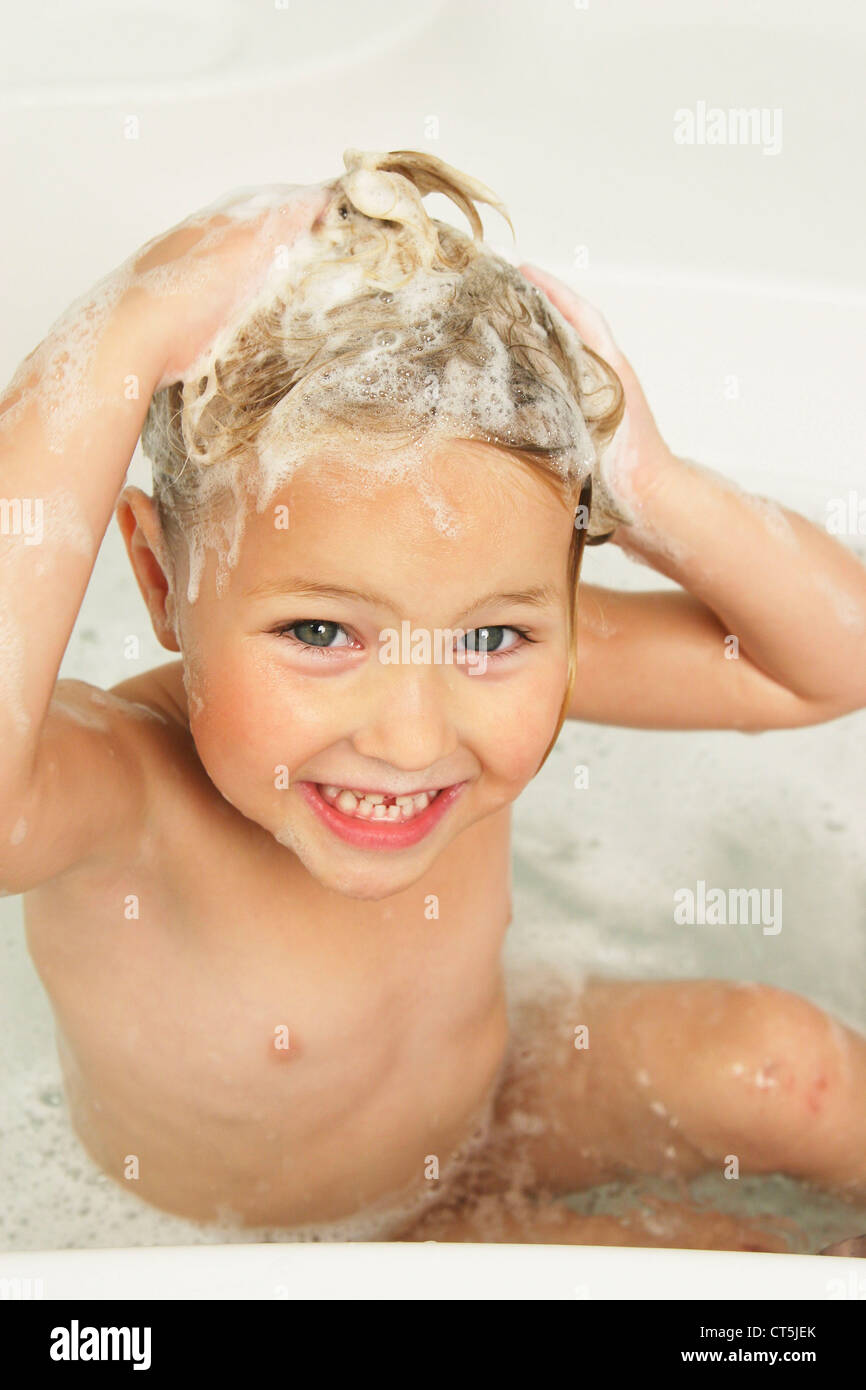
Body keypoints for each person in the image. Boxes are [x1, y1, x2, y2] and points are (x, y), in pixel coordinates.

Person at [1, 149, 864, 1250]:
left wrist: (647, 483)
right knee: (723, 1254)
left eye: (495, 636)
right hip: (312, 1255)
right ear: (163, 582)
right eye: (319, 633)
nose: (411, 735)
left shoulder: (484, 655)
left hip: (499, 1104)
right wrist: (132, 325)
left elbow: (828, 662)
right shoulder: (122, 789)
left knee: (791, 1074)